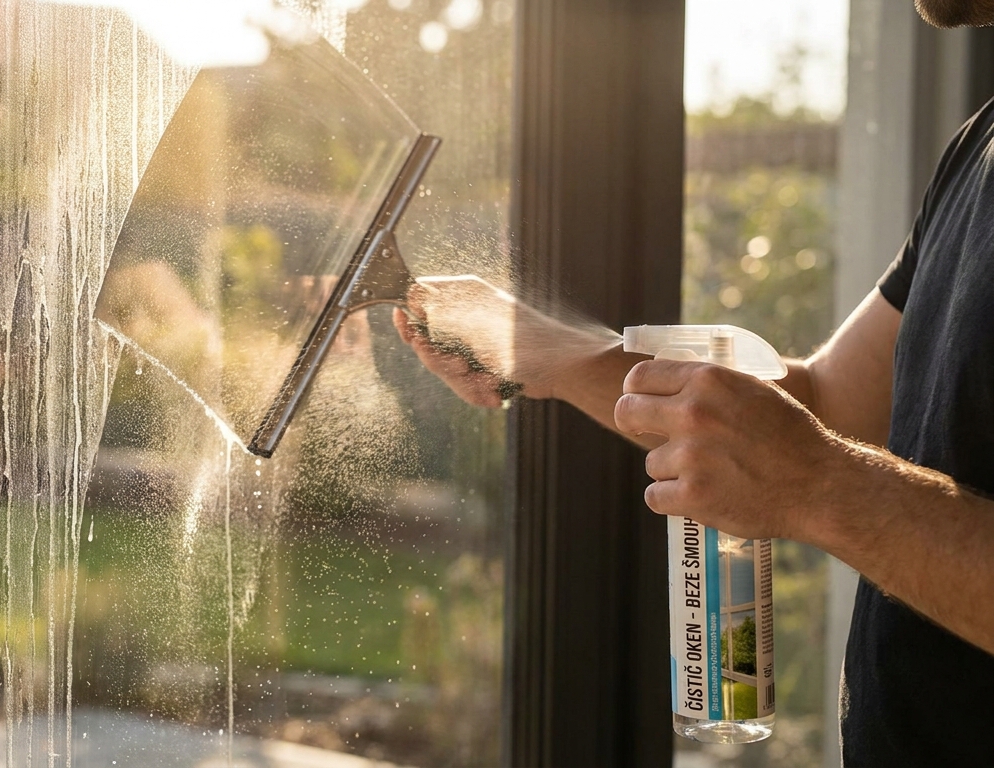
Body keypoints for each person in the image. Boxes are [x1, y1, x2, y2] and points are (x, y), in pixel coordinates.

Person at [394, 1, 994, 764]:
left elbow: (813, 457)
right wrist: (548, 350)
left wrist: (819, 485)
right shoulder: (979, 146)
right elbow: (823, 409)